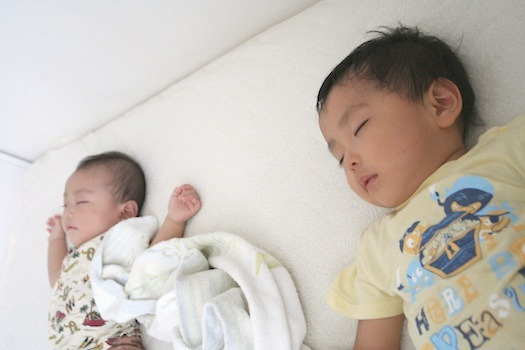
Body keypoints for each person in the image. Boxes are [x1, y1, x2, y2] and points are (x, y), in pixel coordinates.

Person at [316, 25, 525, 349]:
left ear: (440, 104)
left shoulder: (506, 153)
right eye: (340, 157)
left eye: (360, 127)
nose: (351, 163)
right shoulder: (377, 247)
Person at [46, 151, 201, 349]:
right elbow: (56, 279)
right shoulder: (74, 258)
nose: (67, 212)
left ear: (126, 212)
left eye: (81, 202)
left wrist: (174, 221)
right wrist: (57, 239)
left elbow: (150, 262)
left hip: (113, 342)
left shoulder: (117, 240)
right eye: (65, 204)